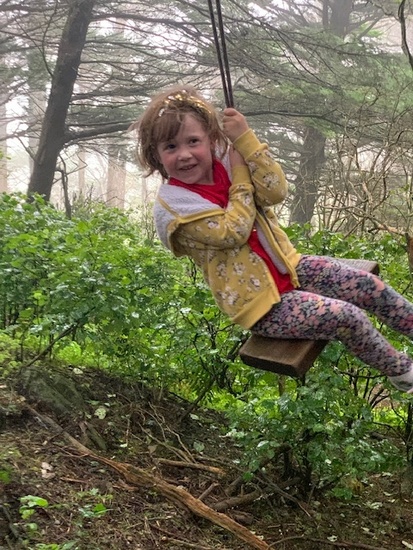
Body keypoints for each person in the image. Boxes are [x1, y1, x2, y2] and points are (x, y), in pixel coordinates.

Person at [133, 85, 413, 393]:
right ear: (156, 155)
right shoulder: (176, 209)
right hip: (262, 306)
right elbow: (234, 231)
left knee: (366, 285)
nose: (184, 154)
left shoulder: (228, 161)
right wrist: (241, 177)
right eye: (171, 147)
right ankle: (402, 372)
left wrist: (245, 140)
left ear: (211, 139)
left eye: (193, 141)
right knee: (347, 317)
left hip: (290, 267)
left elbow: (275, 192)